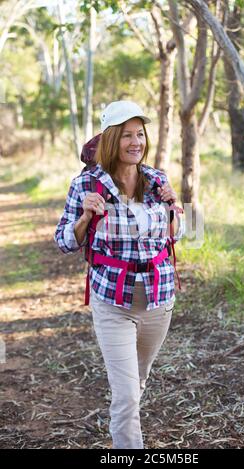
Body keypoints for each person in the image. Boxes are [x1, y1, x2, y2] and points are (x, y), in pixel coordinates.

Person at [54, 100, 185, 449]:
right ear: (112, 139)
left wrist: (175, 208)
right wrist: (84, 217)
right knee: (126, 394)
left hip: (159, 300)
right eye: (126, 135)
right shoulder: (87, 184)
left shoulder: (157, 180)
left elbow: (177, 234)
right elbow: (64, 241)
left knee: (136, 383)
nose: (135, 142)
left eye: (140, 134)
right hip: (113, 302)